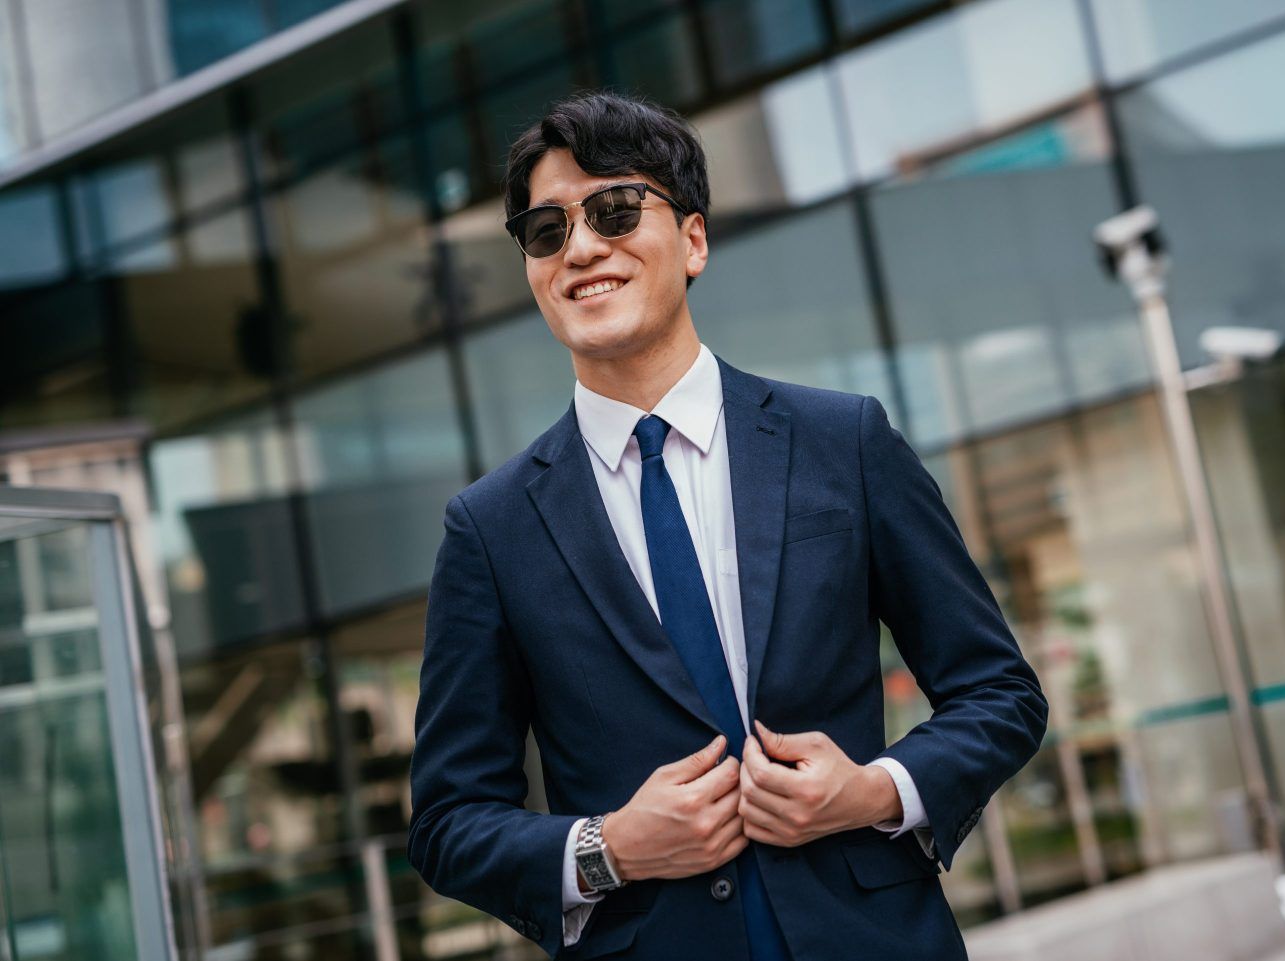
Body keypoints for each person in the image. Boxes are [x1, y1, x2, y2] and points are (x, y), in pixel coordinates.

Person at [407, 90, 1047, 961]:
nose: (583, 245)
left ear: (695, 239)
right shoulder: (489, 528)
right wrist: (607, 849)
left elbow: (1000, 692)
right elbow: (448, 822)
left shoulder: (843, 441)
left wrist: (872, 790)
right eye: (547, 230)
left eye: (615, 209)